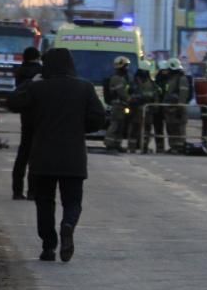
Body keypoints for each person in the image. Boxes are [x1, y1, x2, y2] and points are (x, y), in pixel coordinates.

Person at [8, 48, 106, 262]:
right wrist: (81, 127)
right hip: (73, 157)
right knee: (72, 202)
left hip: (42, 156)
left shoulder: (38, 88)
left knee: (44, 202)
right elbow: (99, 118)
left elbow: (13, 102)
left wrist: (29, 83)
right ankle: (68, 224)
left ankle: (48, 246)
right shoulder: (84, 88)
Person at [11, 46, 43, 199]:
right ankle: (33, 191)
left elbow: (17, 91)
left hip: (26, 115)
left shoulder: (20, 71)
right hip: (40, 116)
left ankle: (17, 191)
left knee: (23, 154)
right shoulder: (42, 72)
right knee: (35, 156)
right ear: (38, 57)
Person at [163, 59, 192, 153]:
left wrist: (180, 107)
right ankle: (173, 147)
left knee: (179, 129)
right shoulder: (171, 78)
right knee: (171, 128)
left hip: (178, 109)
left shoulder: (182, 79)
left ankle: (180, 147)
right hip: (170, 109)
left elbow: (183, 94)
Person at [103, 56, 131, 152]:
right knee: (115, 125)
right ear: (121, 66)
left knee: (120, 126)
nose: (127, 68)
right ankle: (109, 144)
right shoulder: (117, 79)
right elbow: (122, 93)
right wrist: (130, 100)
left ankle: (117, 144)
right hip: (117, 105)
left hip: (122, 105)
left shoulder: (122, 78)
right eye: (126, 66)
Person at [128, 60, 157, 153]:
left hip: (145, 110)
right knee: (136, 129)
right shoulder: (136, 82)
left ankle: (141, 147)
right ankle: (134, 147)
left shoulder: (136, 81)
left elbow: (154, 96)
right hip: (138, 110)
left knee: (143, 129)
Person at [152, 60, 170, 152]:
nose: (165, 72)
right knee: (158, 129)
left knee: (170, 128)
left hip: (167, 108)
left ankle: (171, 147)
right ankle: (160, 147)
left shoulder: (170, 80)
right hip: (158, 109)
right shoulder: (157, 81)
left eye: (166, 70)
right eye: (163, 70)